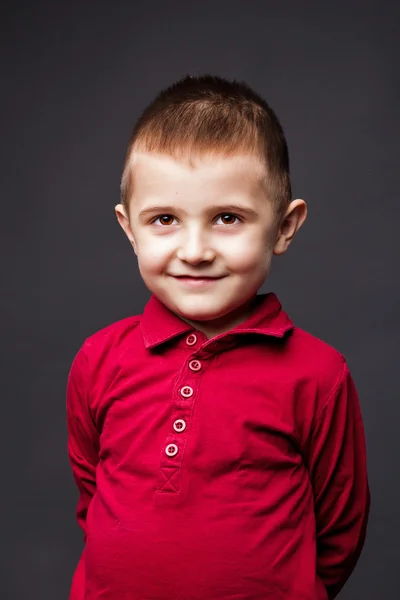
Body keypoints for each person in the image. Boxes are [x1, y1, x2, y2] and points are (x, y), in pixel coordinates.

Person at [66, 74, 370, 600]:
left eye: (227, 218)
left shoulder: (318, 374)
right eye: (164, 219)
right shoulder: (100, 357)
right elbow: (92, 493)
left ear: (283, 227)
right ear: (129, 228)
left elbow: (340, 529)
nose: (195, 249)